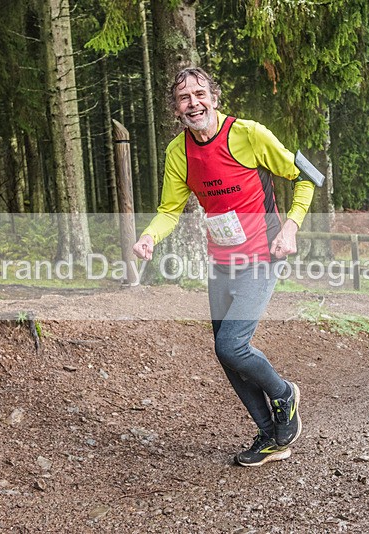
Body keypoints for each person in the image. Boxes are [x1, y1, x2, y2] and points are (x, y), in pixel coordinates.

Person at [132, 67, 318, 467]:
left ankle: (284, 394)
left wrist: (291, 226)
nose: (193, 102)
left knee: (231, 344)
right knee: (227, 353)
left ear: (215, 97)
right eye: (184, 98)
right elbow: (169, 210)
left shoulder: (249, 134)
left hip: (262, 257)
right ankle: (271, 436)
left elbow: (307, 177)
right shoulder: (178, 152)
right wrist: (149, 235)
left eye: (200, 93)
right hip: (221, 263)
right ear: (176, 108)